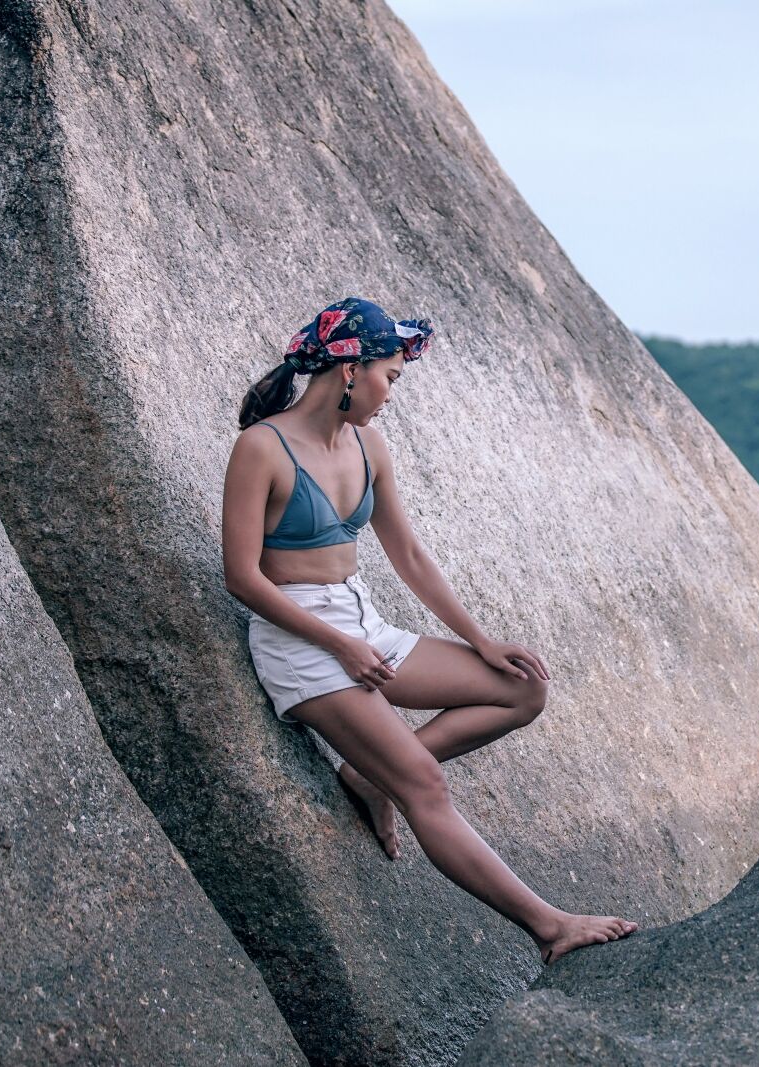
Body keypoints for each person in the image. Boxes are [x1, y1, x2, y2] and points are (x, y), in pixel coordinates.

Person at [222, 296, 637, 966]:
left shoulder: (368, 444)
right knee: (425, 785)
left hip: (363, 625)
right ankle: (548, 926)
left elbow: (409, 556)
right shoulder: (261, 448)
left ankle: (368, 774)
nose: (391, 393)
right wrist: (340, 646)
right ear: (350, 367)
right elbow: (243, 578)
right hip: (304, 647)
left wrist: (480, 640)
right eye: (390, 376)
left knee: (522, 689)